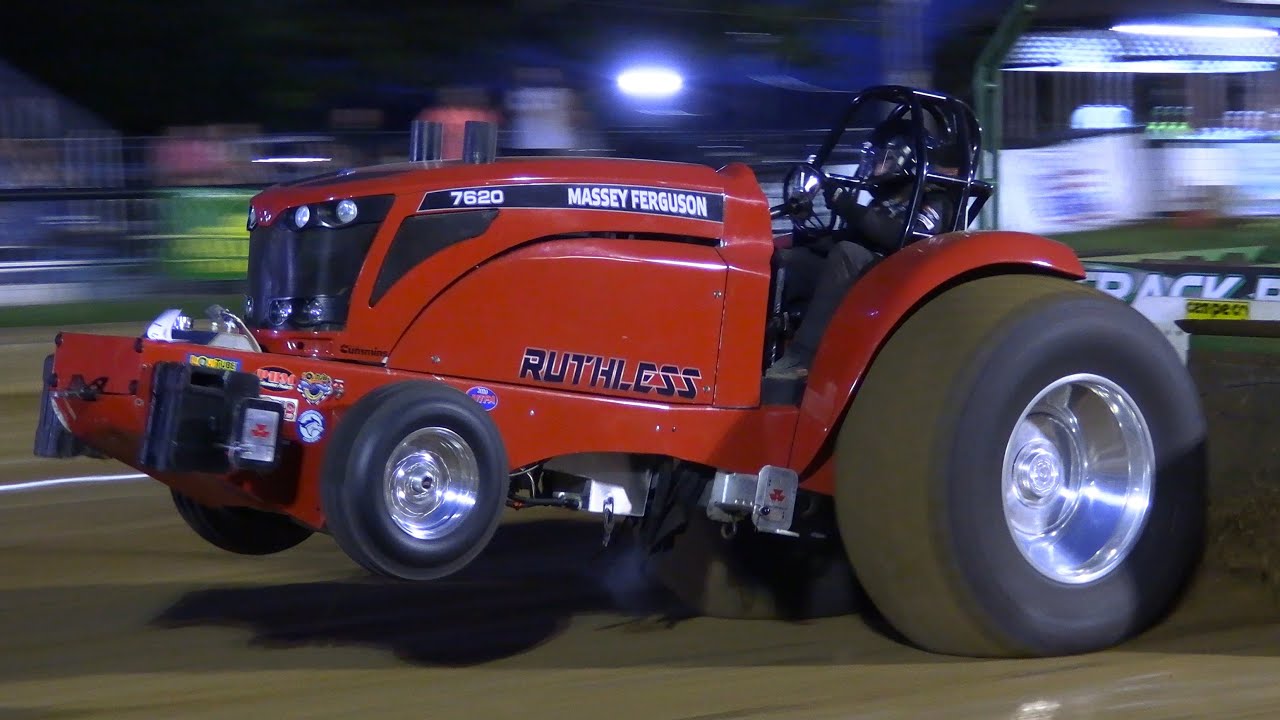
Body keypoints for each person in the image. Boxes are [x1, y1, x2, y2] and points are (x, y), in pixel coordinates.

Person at [767, 131, 959, 381]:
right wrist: (805, 232)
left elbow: (902, 237)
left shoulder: (934, 198)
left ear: (906, 160)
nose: (875, 165)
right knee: (790, 260)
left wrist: (846, 205)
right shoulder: (886, 198)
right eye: (874, 158)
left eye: (884, 159)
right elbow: (849, 236)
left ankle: (805, 356)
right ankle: (763, 345)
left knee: (847, 254)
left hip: (899, 280)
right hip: (863, 271)